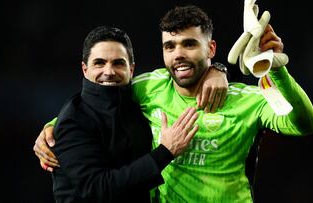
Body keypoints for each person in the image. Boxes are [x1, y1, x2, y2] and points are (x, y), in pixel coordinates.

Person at [34, 5, 313, 203]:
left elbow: (305, 124)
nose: (177, 54)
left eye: (189, 44)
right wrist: (53, 127)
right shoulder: (150, 87)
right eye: (170, 47)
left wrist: (276, 70)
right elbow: (100, 99)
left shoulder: (247, 101)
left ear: (211, 48)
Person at [47, 25, 202, 203]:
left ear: (131, 69)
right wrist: (165, 152)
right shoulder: (73, 121)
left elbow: (193, 75)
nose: (109, 72)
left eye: (118, 63)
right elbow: (98, 188)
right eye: (99, 63)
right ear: (84, 69)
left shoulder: (138, 103)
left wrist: (220, 71)